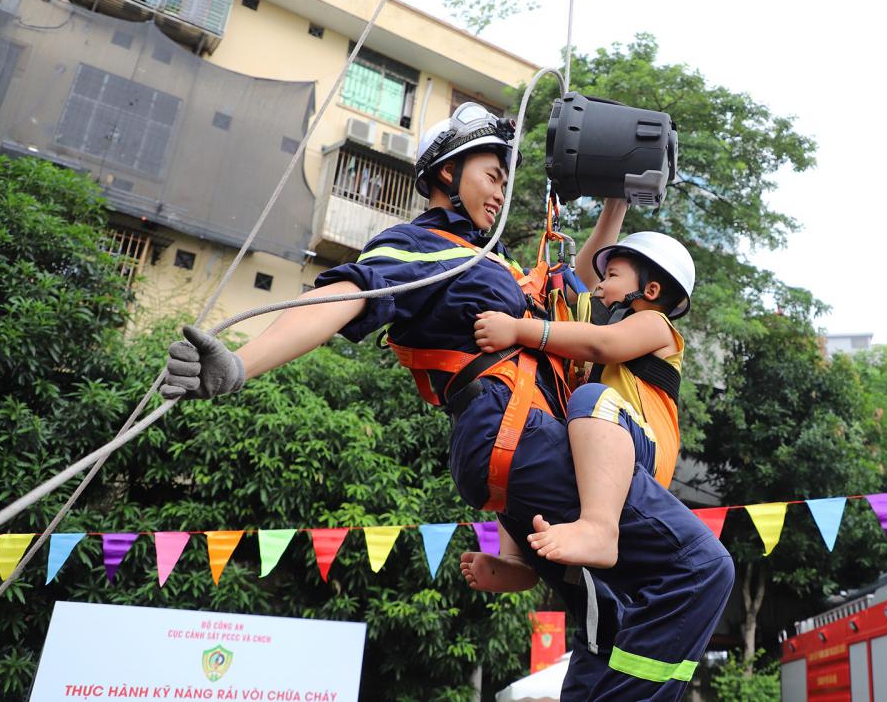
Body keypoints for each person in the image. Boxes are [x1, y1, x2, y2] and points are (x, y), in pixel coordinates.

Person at [163, 102, 733, 701]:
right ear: (445, 174)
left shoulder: (501, 271)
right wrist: (241, 362)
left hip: (514, 455)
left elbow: (588, 288)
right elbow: (350, 293)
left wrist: (615, 199)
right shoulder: (430, 246)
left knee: (608, 617)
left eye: (505, 183)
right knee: (701, 569)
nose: (500, 193)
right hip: (526, 443)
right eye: (492, 176)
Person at [470, 225, 693, 570]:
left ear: (650, 290)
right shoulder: (607, 322)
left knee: (591, 396)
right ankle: (516, 560)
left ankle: (600, 530)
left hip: (644, 449)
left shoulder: (655, 324)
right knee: (520, 447)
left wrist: (518, 330)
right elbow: (577, 282)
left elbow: (600, 344)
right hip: (603, 447)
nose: (600, 284)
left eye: (613, 275)